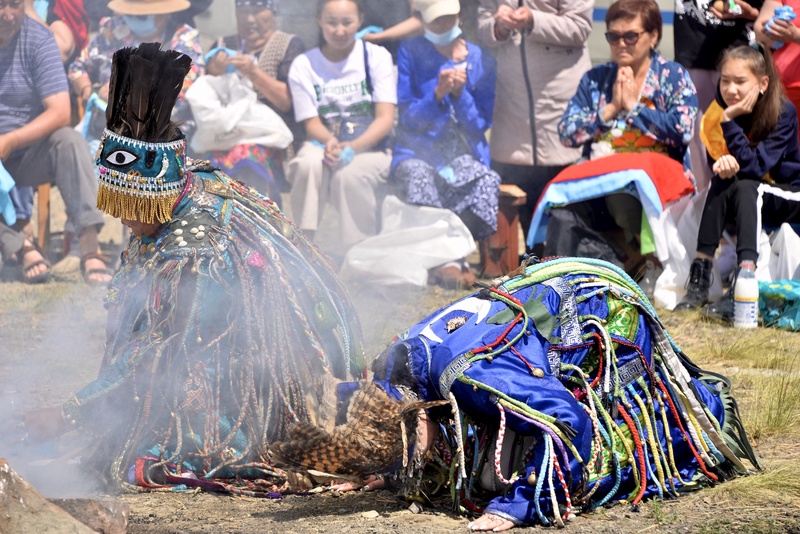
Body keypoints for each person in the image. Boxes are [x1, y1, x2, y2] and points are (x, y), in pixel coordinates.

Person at [5, 43, 366, 493]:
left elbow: (159, 352)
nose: (123, 220)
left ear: (157, 194)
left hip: (247, 375)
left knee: (152, 448)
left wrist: (69, 414)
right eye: (117, 203)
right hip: (203, 345)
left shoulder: (196, 250)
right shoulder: (170, 200)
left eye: (131, 205)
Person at [275, 257, 760, 530]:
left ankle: (709, 413)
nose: (416, 466)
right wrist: (376, 465)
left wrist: (518, 506)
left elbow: (567, 420)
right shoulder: (391, 371)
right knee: (481, 457)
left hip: (601, 313)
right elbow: (380, 417)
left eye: (412, 455)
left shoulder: (469, 374)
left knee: (601, 459)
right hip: (542, 303)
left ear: (417, 416)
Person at [555, 0, 698, 294]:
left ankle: (648, 262)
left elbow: (683, 131)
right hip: (600, 174)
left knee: (622, 199)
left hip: (657, 180)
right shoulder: (596, 80)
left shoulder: (672, 77)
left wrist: (634, 108)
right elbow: (567, 133)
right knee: (561, 204)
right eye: (613, 36)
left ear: (653, 36)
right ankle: (566, 277)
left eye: (631, 36)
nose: (621, 43)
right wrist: (609, 109)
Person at [676, 45, 800, 317]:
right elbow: (722, 162)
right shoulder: (714, 114)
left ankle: (743, 284)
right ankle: (700, 279)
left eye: (740, 82)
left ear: (763, 83)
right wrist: (723, 166)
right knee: (723, 183)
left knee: (746, 186)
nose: (731, 89)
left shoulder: (782, 111)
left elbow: (756, 167)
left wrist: (729, 120)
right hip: (751, 196)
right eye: (725, 80)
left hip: (790, 195)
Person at [0, 0, 110, 284]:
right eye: (1, 5)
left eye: (15, 5)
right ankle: (21, 246)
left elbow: (60, 111)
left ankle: (89, 247)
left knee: (70, 141)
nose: (8, 15)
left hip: (28, 151)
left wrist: (11, 140)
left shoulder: (38, 39)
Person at [391, 0, 499, 287]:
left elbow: (479, 125)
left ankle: (458, 252)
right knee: (418, 174)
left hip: (463, 153)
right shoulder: (411, 51)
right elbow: (408, 120)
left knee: (486, 180)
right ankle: (442, 259)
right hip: (418, 152)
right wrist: (437, 94)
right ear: (422, 21)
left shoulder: (481, 59)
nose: (442, 25)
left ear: (459, 15)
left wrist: (460, 95)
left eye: (448, 18)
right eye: (435, 20)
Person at [476, 0, 593, 241]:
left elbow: (580, 26)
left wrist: (533, 20)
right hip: (512, 106)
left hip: (560, 102)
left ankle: (563, 256)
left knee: (566, 207)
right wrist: (498, 27)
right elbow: (483, 25)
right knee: (519, 195)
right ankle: (532, 255)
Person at [287, 0, 396, 253]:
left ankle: (358, 250)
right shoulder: (304, 65)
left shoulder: (376, 57)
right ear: (319, 21)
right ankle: (304, 246)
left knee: (350, 174)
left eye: (347, 22)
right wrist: (331, 142)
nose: (340, 31)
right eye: (332, 23)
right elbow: (311, 122)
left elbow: (385, 118)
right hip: (324, 142)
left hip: (371, 147)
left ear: (360, 20)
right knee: (307, 164)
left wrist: (354, 147)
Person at [204, 0, 305, 203]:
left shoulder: (288, 46)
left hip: (272, 138)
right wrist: (214, 71)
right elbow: (205, 93)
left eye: (258, 11)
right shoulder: (221, 46)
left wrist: (253, 72)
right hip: (225, 133)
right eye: (243, 12)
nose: (250, 19)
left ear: (273, 14)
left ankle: (258, 214)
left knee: (246, 154)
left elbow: (287, 102)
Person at [67, 0, 204, 134]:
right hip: (102, 128)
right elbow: (79, 66)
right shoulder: (112, 29)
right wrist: (86, 89)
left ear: (164, 14)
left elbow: (177, 94)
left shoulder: (184, 40)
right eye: (129, 14)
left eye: (141, 16)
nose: (133, 19)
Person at [674, 0, 762, 193]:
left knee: (751, 139)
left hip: (744, 53)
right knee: (699, 146)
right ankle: (706, 201)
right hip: (695, 51)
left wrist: (755, 13)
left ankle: (744, 200)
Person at [756, 0, 800, 118]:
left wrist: (795, 35)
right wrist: (772, 29)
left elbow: (794, 34)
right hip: (780, 87)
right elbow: (759, 31)